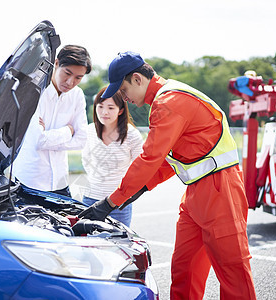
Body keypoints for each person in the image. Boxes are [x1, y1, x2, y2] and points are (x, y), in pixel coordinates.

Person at [79, 52, 256, 299]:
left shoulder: (169, 102)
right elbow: (169, 160)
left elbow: (150, 158)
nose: (124, 98)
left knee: (232, 271)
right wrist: (138, 189)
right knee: (185, 269)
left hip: (221, 191)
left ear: (138, 79)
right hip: (196, 193)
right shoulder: (166, 101)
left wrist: (112, 201)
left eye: (124, 89)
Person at [13, 45, 92, 198]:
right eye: (67, 73)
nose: (70, 82)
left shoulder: (77, 95)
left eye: (78, 78)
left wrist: (49, 137)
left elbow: (81, 140)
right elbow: (39, 140)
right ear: (56, 63)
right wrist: (68, 131)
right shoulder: (33, 91)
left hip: (60, 182)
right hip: (30, 181)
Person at [81, 86, 143, 226]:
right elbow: (85, 160)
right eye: (100, 106)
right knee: (87, 243)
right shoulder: (89, 131)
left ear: (120, 110)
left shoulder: (132, 135)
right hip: (90, 199)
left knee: (117, 245)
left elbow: (139, 168)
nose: (104, 112)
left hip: (118, 204)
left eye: (110, 108)